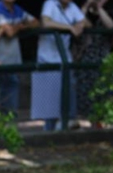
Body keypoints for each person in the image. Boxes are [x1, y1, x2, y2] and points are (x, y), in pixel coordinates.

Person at [30, 0, 85, 131]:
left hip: (64, 56)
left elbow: (83, 21)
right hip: (47, 57)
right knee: (50, 96)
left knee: (69, 86)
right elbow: (46, 22)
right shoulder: (50, 4)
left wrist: (79, 25)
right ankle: (49, 129)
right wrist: (69, 27)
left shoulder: (73, 7)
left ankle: (69, 121)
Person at [0, 0, 38, 117]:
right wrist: (20, 26)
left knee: (11, 101)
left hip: (13, 62)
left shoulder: (17, 9)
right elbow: (9, 32)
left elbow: (35, 23)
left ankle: (10, 127)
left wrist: (19, 27)